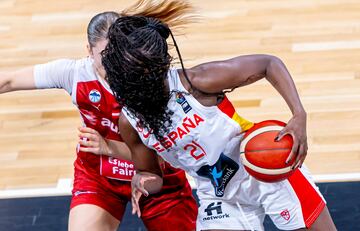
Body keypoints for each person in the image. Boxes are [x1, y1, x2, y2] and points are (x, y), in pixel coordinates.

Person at [101, 4, 338, 231]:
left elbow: (268, 64)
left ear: (151, 71)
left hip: (266, 168)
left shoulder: (196, 82)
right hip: (218, 193)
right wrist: (141, 180)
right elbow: (153, 175)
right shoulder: (130, 122)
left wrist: (299, 114)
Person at [0, 2, 198, 231]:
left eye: (119, 54)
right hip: (100, 177)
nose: (115, 64)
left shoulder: (154, 78)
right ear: (89, 51)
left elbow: (165, 157)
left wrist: (109, 147)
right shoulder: (74, 74)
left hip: (158, 178)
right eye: (105, 56)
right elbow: (9, 80)